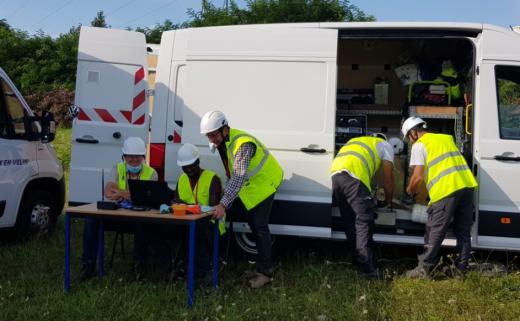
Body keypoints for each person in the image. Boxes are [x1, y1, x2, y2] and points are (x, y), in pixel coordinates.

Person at [200, 110, 283, 288]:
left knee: (259, 225)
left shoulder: (242, 144)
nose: (211, 139)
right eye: (208, 136)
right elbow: (233, 176)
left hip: (265, 183)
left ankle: (266, 272)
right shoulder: (224, 142)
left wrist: (223, 203)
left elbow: (238, 177)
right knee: (252, 223)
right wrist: (225, 195)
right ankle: (257, 267)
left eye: (213, 135)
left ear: (224, 129)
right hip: (252, 186)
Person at [401, 117, 478, 278]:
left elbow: (418, 177)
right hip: (466, 185)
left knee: (434, 229)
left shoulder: (419, 145)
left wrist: (408, 192)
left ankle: (424, 269)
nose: (409, 141)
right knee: (463, 231)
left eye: (408, 136)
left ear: (413, 133)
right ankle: (460, 270)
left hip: (447, 189)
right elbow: (443, 166)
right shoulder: (445, 138)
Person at [80, 136, 158, 280]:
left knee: (143, 226)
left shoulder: (152, 173)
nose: (134, 161)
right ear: (124, 157)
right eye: (130, 158)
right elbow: (109, 191)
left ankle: (140, 267)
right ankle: (88, 265)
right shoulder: (118, 168)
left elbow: (149, 198)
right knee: (91, 220)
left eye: (138, 158)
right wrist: (133, 194)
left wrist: (121, 193)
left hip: (139, 219)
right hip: (117, 217)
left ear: (143, 157)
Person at [330, 133, 396, 278]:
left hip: (336, 176)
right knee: (363, 221)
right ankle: (367, 270)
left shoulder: (357, 141)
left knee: (350, 221)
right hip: (354, 178)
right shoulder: (385, 145)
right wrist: (389, 201)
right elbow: (388, 178)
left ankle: (357, 262)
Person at [171, 143, 224, 280]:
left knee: (197, 230)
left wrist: (187, 207)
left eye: (191, 165)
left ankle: (203, 270)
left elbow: (213, 209)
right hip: (188, 223)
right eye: (185, 166)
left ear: (198, 162)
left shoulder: (212, 179)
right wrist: (174, 204)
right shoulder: (182, 179)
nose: (188, 169)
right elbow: (176, 201)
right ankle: (178, 266)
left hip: (212, 224)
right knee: (167, 229)